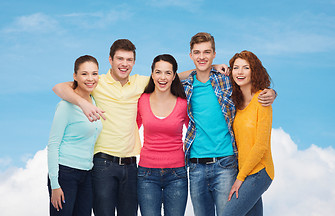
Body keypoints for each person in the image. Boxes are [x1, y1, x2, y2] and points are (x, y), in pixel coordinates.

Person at [52, 39, 228, 216]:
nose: (124, 64)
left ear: (134, 62)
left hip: (131, 165)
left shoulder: (141, 84)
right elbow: (59, 87)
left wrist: (211, 67)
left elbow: (170, 76)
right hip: (103, 163)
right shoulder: (97, 82)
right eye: (120, 59)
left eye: (129, 60)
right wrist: (83, 104)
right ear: (110, 60)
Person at [182, 32, 276, 216]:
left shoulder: (226, 81)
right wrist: (210, 66)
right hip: (196, 165)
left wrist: (272, 92)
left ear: (214, 53)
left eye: (207, 52)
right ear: (191, 55)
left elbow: (252, 87)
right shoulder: (187, 86)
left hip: (227, 164)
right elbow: (166, 76)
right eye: (197, 52)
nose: (202, 57)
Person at [47, 55, 102, 216]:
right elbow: (53, 144)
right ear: (75, 76)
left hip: (87, 174)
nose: (90, 78)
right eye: (84, 74)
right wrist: (55, 184)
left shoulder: (95, 100)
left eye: (94, 73)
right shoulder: (65, 106)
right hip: (65, 174)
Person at [222, 50, 274, 216]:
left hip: (259, 172)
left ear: (254, 71)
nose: (240, 72)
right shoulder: (235, 104)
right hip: (244, 171)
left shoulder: (262, 100)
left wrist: (240, 179)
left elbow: (260, 146)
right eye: (236, 68)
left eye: (246, 68)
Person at [136, 54, 189, 216]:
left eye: (168, 73)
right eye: (158, 72)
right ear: (152, 75)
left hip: (177, 174)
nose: (162, 77)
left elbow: (196, 133)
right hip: (146, 174)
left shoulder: (183, 103)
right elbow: (130, 128)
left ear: (174, 76)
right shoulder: (142, 100)